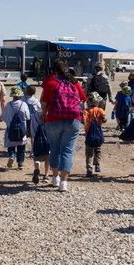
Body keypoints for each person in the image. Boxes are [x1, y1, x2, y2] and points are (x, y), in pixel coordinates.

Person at [40, 60, 83, 192]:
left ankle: (55, 177)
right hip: (73, 121)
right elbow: (83, 99)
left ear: (55, 71)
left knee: (55, 149)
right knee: (67, 150)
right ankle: (64, 182)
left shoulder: (51, 84)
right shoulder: (75, 84)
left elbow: (43, 102)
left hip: (53, 120)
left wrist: (44, 114)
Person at [0, 86, 31, 170]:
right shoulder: (23, 104)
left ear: (12, 96)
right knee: (21, 147)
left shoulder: (9, 105)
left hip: (10, 128)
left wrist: (1, 118)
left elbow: (3, 116)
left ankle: (12, 155)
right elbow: (28, 117)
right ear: (20, 95)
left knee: (11, 144)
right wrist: (28, 129)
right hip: (21, 129)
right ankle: (20, 163)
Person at [22, 85, 47, 184]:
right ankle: (46, 175)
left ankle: (33, 151)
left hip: (30, 119)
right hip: (40, 123)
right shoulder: (36, 101)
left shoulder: (23, 99)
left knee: (33, 137)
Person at [83, 92, 106, 177]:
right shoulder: (100, 110)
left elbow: (83, 120)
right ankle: (97, 165)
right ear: (97, 102)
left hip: (89, 135)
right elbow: (104, 119)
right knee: (98, 151)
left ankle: (89, 168)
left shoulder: (86, 111)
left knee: (89, 153)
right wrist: (102, 119)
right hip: (98, 135)